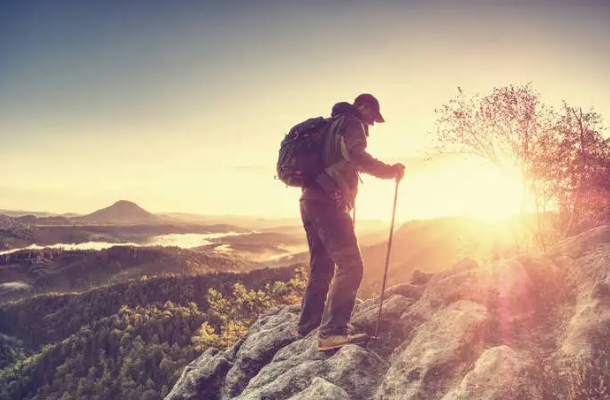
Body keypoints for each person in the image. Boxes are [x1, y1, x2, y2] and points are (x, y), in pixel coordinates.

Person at [297, 93, 406, 351]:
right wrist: (390, 171)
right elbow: (357, 156)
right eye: (373, 118)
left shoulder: (327, 127)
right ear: (364, 107)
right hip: (329, 203)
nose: (372, 124)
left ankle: (307, 327)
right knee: (351, 265)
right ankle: (332, 331)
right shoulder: (352, 123)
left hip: (309, 200)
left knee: (321, 268)